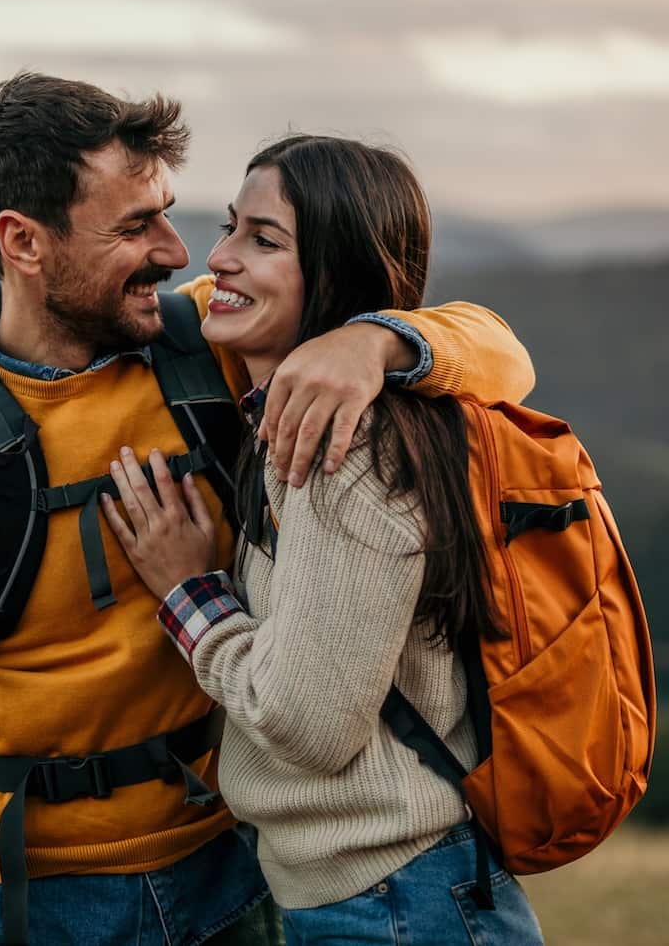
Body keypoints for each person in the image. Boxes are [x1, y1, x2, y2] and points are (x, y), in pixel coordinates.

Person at [0, 76, 537, 946]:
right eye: (134, 226)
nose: (178, 252)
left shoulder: (206, 344)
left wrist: (376, 340)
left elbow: (502, 354)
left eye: (170, 215)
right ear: (24, 241)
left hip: (228, 872)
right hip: (19, 897)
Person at [100, 134, 546, 944]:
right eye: (231, 227)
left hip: (395, 903)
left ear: (337, 271)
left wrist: (188, 593)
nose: (218, 258)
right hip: (378, 895)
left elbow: (309, 725)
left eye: (264, 240)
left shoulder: (346, 447)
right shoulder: (294, 413)